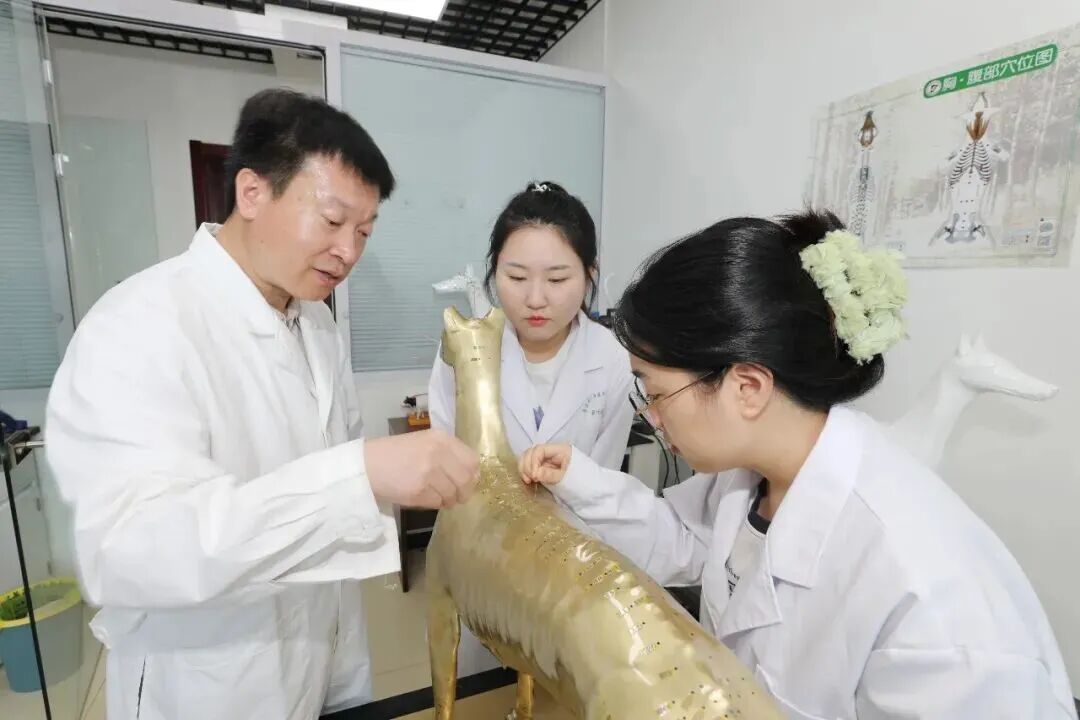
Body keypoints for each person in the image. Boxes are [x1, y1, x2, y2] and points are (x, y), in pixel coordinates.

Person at [519, 210, 1077, 719]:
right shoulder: (750, 477)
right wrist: (580, 480)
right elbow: (686, 541)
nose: (652, 416)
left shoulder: (931, 598)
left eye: (656, 392)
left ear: (747, 387)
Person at [45, 88, 480, 720]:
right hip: (210, 684)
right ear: (252, 193)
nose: (349, 251)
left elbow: (331, 474)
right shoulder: (139, 325)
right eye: (331, 221)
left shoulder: (317, 324)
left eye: (364, 232)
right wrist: (359, 474)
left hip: (321, 652)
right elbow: (129, 549)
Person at [427, 180, 634, 676]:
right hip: (483, 561)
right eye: (516, 276)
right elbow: (448, 462)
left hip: (572, 564)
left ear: (589, 276)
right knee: (486, 683)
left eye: (558, 278)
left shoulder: (611, 359)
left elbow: (600, 481)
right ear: (493, 271)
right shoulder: (466, 346)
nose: (535, 299)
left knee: (563, 682)